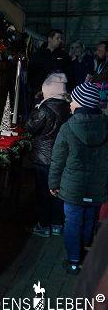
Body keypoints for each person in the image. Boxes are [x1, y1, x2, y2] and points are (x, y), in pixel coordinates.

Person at [49, 82, 108, 275]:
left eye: (73, 100)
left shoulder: (67, 128)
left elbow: (58, 159)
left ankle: (74, 261)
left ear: (81, 103)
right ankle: (85, 252)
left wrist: (53, 183)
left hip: (73, 189)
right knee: (90, 219)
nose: (70, 103)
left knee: (73, 222)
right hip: (97, 187)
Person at [25, 73, 70, 237]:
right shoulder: (68, 107)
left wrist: (36, 107)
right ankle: (57, 224)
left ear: (48, 91)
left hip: (43, 159)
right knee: (58, 191)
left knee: (43, 193)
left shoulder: (43, 110)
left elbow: (30, 127)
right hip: (61, 158)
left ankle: (44, 226)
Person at [29, 29, 70, 97]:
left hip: (59, 93)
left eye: (61, 38)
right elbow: (31, 73)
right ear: (50, 39)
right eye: (57, 38)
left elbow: (68, 73)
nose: (60, 40)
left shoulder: (64, 55)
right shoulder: (38, 55)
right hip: (40, 93)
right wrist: (35, 90)